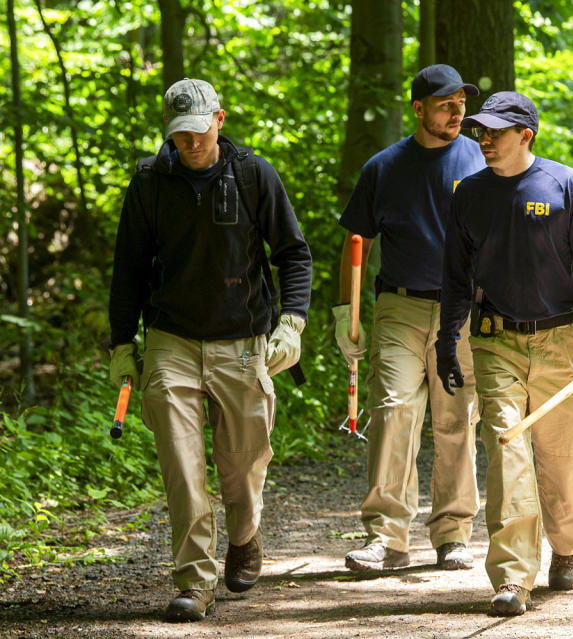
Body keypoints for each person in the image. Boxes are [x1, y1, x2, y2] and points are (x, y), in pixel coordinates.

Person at [108, 78, 313, 622]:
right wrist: (121, 344)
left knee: (244, 464)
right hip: (171, 340)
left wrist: (290, 324)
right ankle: (194, 581)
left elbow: (294, 254)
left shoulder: (252, 174)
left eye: (198, 131)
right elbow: (127, 270)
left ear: (219, 120)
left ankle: (244, 534)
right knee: (182, 464)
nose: (190, 143)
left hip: (242, 342)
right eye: (180, 135)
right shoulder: (151, 182)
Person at [436, 91, 573, 616]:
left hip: (561, 341)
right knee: (506, 447)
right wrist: (447, 341)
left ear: (526, 136)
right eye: (480, 132)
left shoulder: (563, 184)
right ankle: (514, 577)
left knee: (562, 461)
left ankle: (566, 549)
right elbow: (455, 277)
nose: (483, 139)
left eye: (494, 131)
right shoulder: (468, 193)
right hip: (495, 342)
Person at [334, 64, 485, 573]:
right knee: (394, 409)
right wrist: (345, 315)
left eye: (461, 103)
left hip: (461, 310)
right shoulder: (384, 167)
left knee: (456, 417)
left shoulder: (482, 161)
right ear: (418, 108)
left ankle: (453, 533)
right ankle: (386, 537)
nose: (457, 111)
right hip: (398, 307)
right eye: (445, 104)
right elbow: (357, 243)